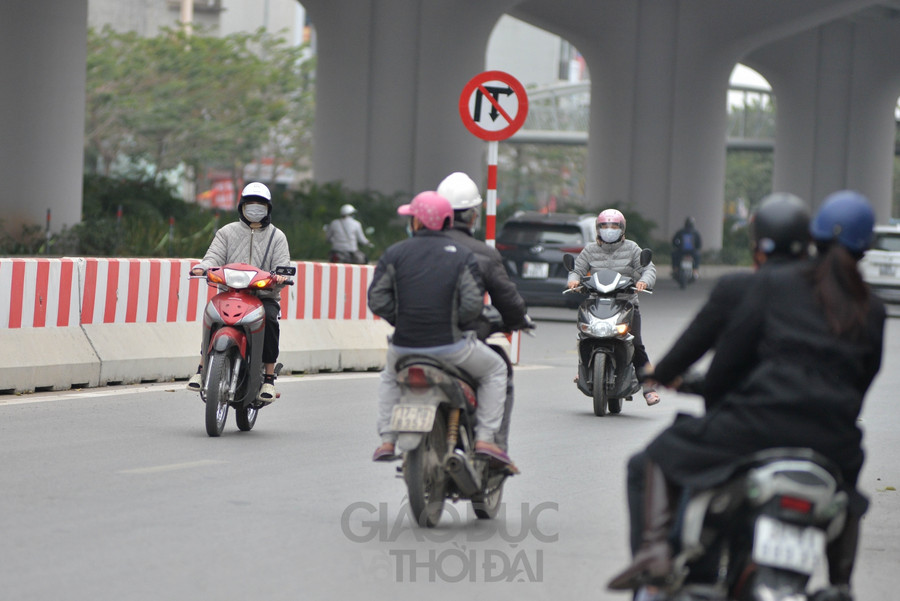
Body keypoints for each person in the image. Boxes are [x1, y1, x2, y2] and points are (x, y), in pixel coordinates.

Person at [607, 190, 885, 599]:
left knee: (650, 460)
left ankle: (655, 556)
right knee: (844, 497)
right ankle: (842, 584)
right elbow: (862, 382)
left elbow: (726, 364)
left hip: (759, 426)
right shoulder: (872, 306)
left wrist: (669, 378)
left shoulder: (770, 283)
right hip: (837, 442)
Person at [367, 191, 513, 466]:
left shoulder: (394, 253)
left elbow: (377, 300)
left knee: (389, 376)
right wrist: (452, 321)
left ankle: (387, 440)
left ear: (418, 223)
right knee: (496, 370)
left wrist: (403, 320)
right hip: (452, 348)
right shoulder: (462, 255)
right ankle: (484, 439)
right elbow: (472, 304)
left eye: (412, 218)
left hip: (403, 348)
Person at [436, 171, 531, 452]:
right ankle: (490, 442)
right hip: (459, 344)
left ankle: (389, 438)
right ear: (473, 216)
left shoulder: (416, 248)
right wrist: (517, 320)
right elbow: (508, 301)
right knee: (499, 368)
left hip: (409, 342)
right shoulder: (481, 253)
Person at [186, 182, 291, 402]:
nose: (255, 208)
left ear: (268, 208)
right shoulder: (227, 232)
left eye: (260, 204)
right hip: (230, 294)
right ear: (241, 206)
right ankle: (202, 367)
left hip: (263, 298)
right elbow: (213, 257)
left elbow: (282, 266)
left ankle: (269, 379)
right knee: (212, 314)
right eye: (250, 204)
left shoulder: (277, 237)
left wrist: (280, 277)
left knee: (271, 319)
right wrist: (202, 268)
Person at [566, 208, 659, 405]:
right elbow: (577, 269)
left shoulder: (632, 248)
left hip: (626, 303)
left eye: (614, 226)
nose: (610, 229)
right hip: (595, 302)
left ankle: (648, 387)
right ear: (598, 229)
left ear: (622, 229)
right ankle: (583, 371)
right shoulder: (590, 250)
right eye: (605, 226)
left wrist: (644, 281)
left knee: (636, 343)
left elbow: (648, 268)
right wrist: (573, 281)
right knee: (584, 336)